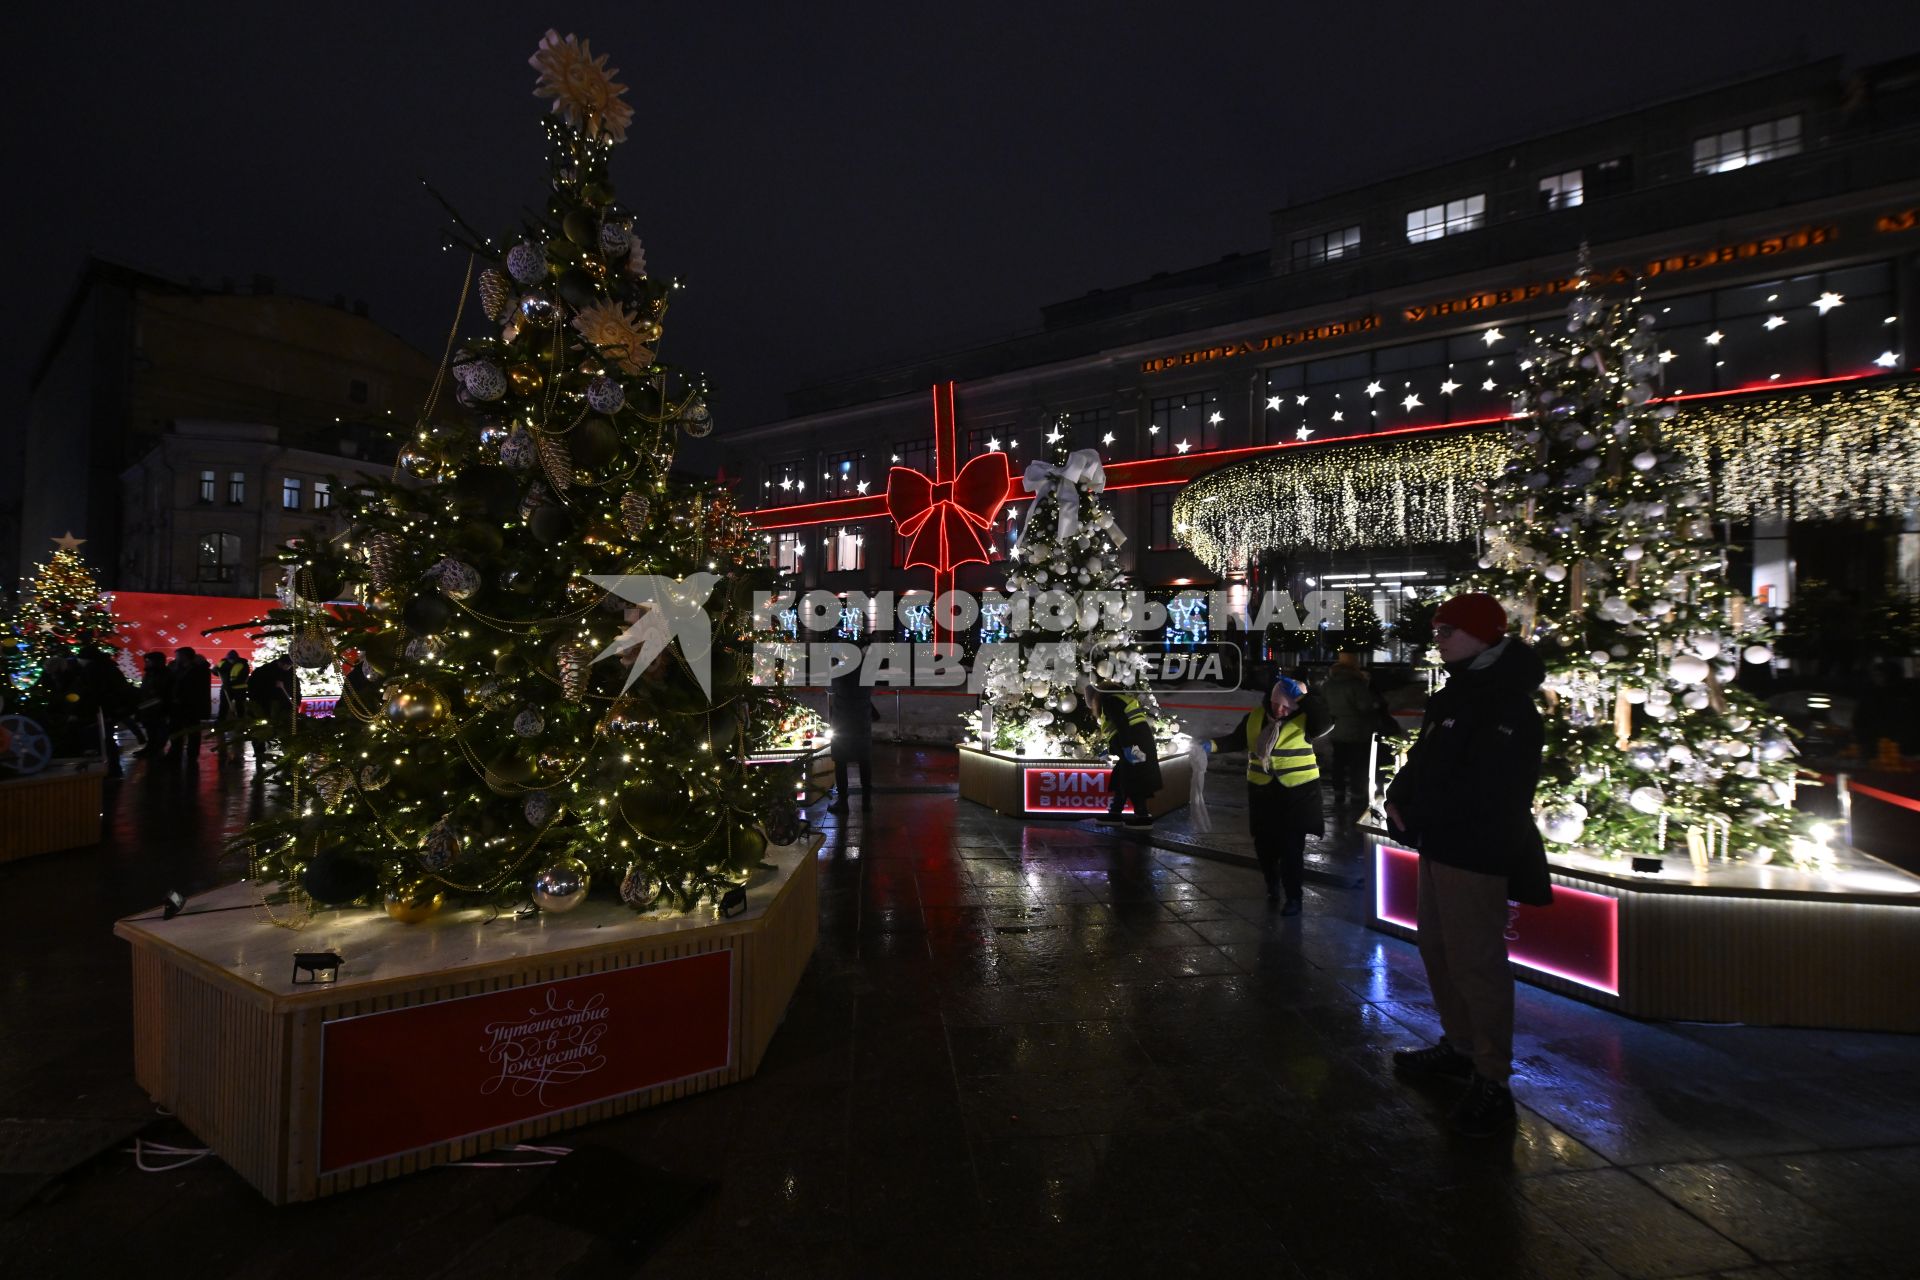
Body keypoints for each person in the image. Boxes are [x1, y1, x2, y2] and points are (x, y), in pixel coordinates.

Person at [1384, 592, 1551, 1138]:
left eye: (1447, 630)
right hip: (1439, 844)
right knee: (1437, 947)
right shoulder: (1457, 692)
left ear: (1482, 635)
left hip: (1475, 849)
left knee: (1475, 959)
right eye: (1436, 630)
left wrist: (1422, 805)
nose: (1439, 638)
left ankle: (1492, 1078)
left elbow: (1491, 786)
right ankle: (1459, 1048)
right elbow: (1426, 758)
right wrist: (1398, 795)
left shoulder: (1506, 703)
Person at [1201, 674, 1330, 913]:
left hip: (1298, 795)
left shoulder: (1307, 719)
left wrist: (1303, 697)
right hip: (1263, 792)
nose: (1279, 709)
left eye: (1286, 705)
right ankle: (1272, 883)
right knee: (1265, 847)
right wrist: (1211, 745)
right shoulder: (1255, 717)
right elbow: (1236, 740)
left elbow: (1325, 721)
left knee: (1292, 849)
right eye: (1275, 703)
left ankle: (1294, 897)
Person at [1091, 682, 1160, 826]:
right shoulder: (1120, 700)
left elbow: (1122, 726)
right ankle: (1115, 813)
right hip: (1137, 743)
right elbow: (1120, 728)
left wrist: (1129, 749)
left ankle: (1143, 817)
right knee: (1121, 775)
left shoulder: (1110, 701)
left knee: (1133, 777)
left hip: (1133, 744)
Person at [1321, 652, 1379, 807]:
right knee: (1357, 765)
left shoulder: (1328, 684)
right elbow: (1364, 706)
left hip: (1336, 730)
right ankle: (1357, 795)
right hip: (1357, 731)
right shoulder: (1356, 685)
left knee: (1338, 763)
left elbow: (1323, 704)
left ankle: (1338, 793)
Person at [826, 648, 875, 815]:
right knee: (864, 760)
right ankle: (866, 801)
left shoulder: (840, 671)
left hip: (842, 722)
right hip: (862, 720)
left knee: (840, 762)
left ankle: (843, 801)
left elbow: (830, 689)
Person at [164, 647, 213, 764]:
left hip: (191, 705)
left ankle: (191, 754)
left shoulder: (198, 670)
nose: (176, 658)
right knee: (176, 729)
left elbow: (196, 689)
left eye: (178, 656)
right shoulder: (178, 668)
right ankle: (175, 752)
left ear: (184, 656)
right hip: (177, 705)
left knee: (192, 730)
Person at [135, 651, 172, 757]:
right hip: (148, 705)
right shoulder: (150, 673)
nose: (146, 663)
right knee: (150, 728)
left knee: (158, 728)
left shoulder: (164, 673)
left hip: (158, 706)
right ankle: (151, 747)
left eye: (148, 661)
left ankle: (156, 748)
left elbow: (163, 690)